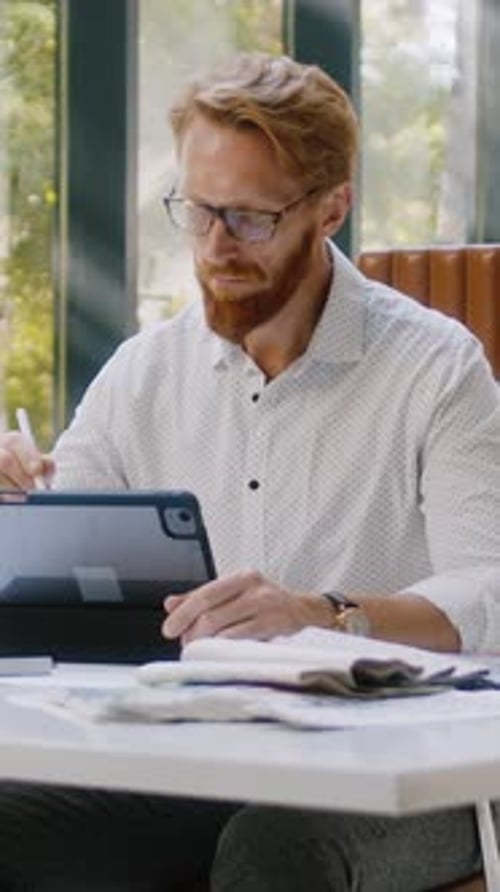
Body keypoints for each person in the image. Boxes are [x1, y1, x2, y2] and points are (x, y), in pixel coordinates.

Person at [0, 50, 498, 891]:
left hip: (408, 767)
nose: (216, 247)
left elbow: (490, 585)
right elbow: (63, 560)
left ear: (331, 205)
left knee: (276, 854)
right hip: (200, 754)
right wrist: (17, 506)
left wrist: (327, 614)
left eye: (250, 218)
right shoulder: (143, 372)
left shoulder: (437, 369)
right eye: (197, 212)